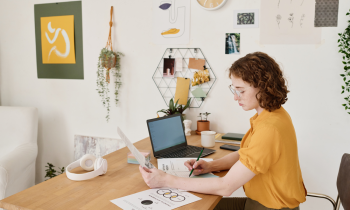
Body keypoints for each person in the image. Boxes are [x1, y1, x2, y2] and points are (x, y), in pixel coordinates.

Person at [139, 52, 307, 210]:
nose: (236, 97)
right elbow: (245, 154)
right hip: (260, 203)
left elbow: (226, 187)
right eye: (234, 90)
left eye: (241, 90)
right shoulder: (272, 115)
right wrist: (211, 166)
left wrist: (166, 180)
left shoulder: (269, 128)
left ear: (262, 87)